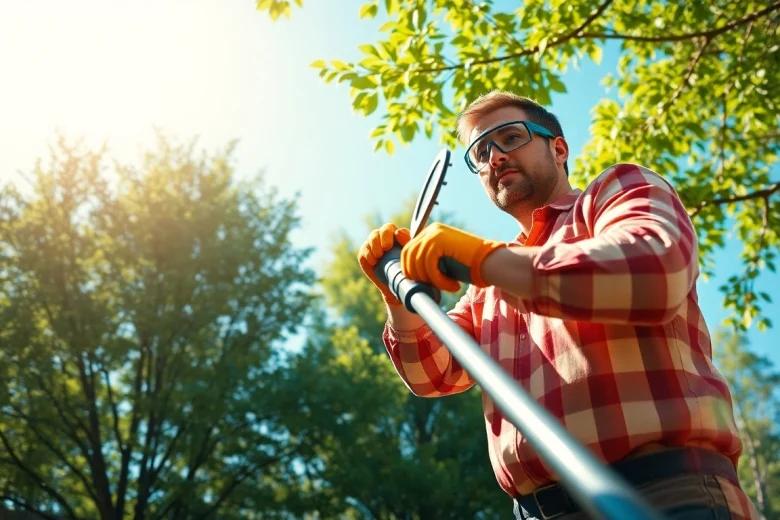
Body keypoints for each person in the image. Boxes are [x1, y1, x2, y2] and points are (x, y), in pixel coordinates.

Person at [357, 90, 759, 519]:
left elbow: (656, 269)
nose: (495, 157)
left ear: (558, 147)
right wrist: (396, 296)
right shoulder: (485, 289)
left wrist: (486, 261)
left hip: (668, 494)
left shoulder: (614, 192)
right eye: (480, 151)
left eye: (510, 137)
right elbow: (432, 374)